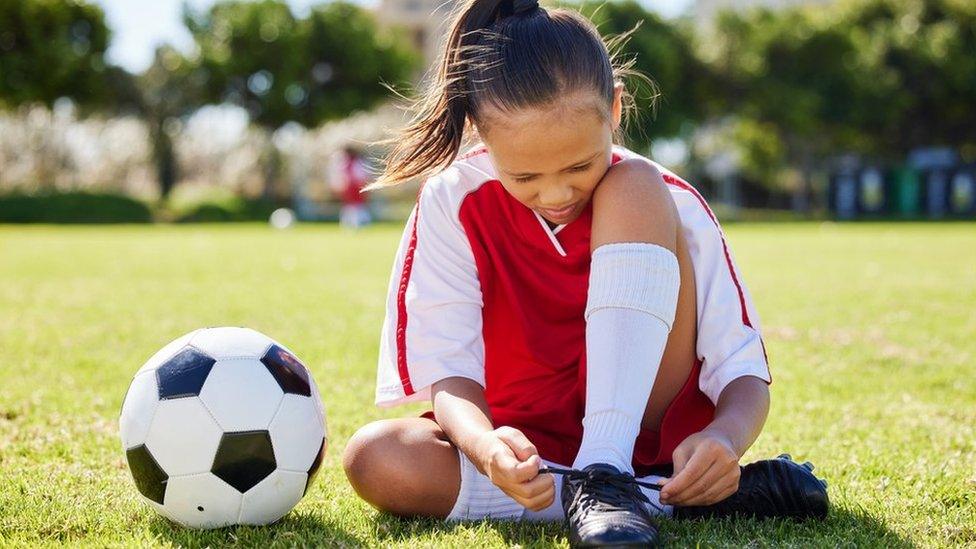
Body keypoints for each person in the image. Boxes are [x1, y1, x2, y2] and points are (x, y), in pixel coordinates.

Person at [343, 0, 829, 546]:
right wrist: (485, 447)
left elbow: (742, 372)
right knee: (376, 458)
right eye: (524, 174)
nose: (556, 194)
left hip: (646, 429)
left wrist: (722, 439)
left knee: (635, 184)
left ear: (615, 109)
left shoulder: (666, 199)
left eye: (580, 166)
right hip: (529, 446)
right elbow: (450, 374)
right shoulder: (452, 201)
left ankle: (607, 469)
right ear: (481, 133)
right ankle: (655, 500)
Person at [334, 145, 372, 229]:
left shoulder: (357, 162)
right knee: (350, 206)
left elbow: (361, 177)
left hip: (355, 187)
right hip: (349, 187)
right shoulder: (345, 163)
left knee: (357, 205)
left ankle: (361, 223)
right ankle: (350, 223)